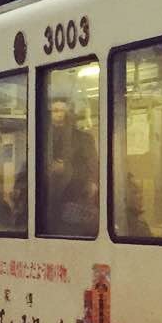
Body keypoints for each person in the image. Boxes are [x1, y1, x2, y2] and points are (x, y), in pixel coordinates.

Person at [43, 95, 98, 235]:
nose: (59, 115)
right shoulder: (40, 138)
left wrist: (66, 169)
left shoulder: (83, 139)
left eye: (63, 111)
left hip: (74, 202)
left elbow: (92, 169)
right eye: (55, 110)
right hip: (45, 205)